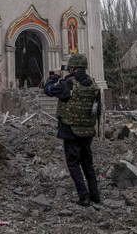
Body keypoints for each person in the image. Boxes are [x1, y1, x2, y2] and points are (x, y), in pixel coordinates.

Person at [44, 53, 101, 206]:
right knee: (87, 163)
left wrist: (54, 77)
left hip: (71, 129)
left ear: (73, 68)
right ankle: (95, 194)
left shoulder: (67, 84)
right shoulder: (93, 84)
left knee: (73, 163)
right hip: (88, 130)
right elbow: (97, 109)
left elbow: (48, 90)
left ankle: (84, 196)